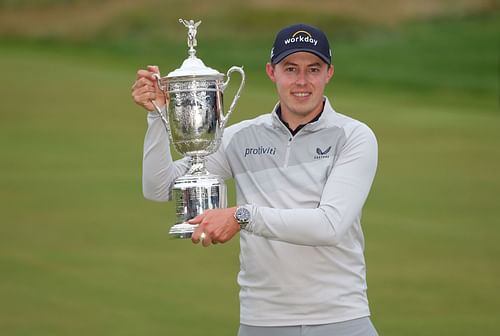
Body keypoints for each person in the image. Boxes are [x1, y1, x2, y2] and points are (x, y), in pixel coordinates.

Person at [132, 23, 379, 336]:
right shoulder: (239, 138)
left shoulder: (354, 137)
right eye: (290, 69)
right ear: (271, 72)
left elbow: (330, 226)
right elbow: (158, 188)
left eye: (313, 69)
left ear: (328, 73)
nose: (302, 81)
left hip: (341, 320)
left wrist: (241, 216)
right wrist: (157, 115)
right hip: (261, 322)